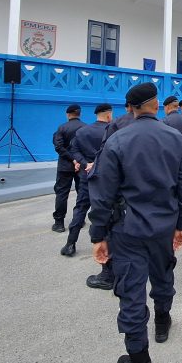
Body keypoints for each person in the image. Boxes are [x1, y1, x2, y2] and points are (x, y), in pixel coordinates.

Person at [88, 82, 182, 363]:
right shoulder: (175, 138)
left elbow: (103, 196)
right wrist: (181, 224)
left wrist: (98, 236)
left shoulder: (118, 140)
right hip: (163, 227)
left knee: (131, 293)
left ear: (132, 109)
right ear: (157, 104)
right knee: (163, 276)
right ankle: (162, 321)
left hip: (128, 230)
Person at [85, 101, 135, 290]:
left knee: (112, 231)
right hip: (150, 199)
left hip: (119, 193)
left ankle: (109, 275)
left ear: (128, 106)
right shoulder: (161, 128)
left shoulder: (117, 125)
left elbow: (105, 156)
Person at [61, 103, 112, 256]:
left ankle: (70, 244)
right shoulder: (112, 131)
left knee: (81, 208)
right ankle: (107, 245)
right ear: (109, 115)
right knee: (108, 211)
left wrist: (85, 164)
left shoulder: (83, 131)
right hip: (107, 177)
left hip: (86, 176)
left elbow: (74, 150)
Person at [51, 104, 87, 233]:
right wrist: (78, 160)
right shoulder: (85, 128)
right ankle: (79, 219)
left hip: (65, 166)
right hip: (82, 166)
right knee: (81, 192)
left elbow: (58, 147)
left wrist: (71, 159)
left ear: (68, 114)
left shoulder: (62, 128)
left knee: (61, 193)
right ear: (79, 114)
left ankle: (59, 223)